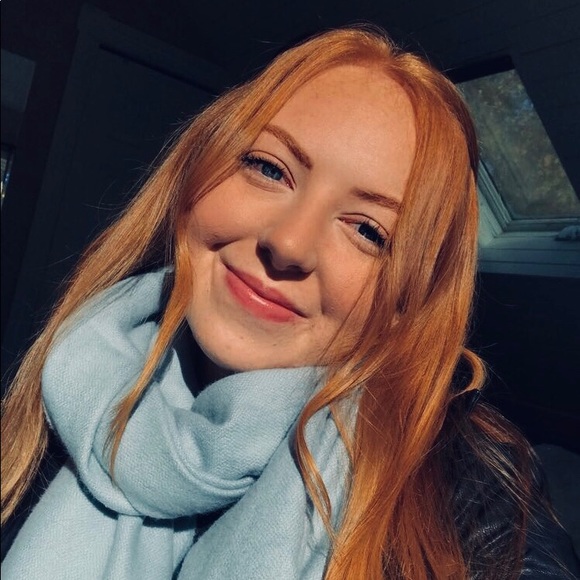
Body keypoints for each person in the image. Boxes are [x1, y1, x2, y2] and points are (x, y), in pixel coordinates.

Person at [1, 25, 578, 580]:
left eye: (368, 231)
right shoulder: (61, 387)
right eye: (269, 168)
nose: (289, 243)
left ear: (409, 301)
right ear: (197, 170)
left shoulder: (470, 496)